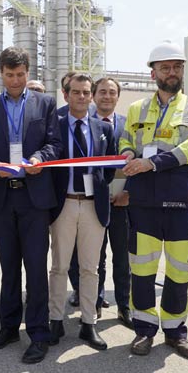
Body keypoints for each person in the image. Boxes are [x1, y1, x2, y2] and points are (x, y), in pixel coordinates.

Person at [121, 40, 188, 360]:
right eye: (165, 68)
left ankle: (175, 333)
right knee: (141, 272)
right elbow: (126, 140)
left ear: (182, 70)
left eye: (177, 67)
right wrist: (128, 153)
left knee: (179, 272)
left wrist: (151, 162)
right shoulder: (135, 109)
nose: (171, 73)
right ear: (153, 73)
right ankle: (144, 331)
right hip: (143, 204)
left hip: (179, 205)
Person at [0, 46, 62, 364]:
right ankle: (9, 327)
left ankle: (38, 334)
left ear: (28, 72)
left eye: (20, 74)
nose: (15, 80)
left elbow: (55, 142)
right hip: (2, 196)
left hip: (34, 198)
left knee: (35, 269)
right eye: (10, 75)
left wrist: (41, 157)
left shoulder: (46, 103)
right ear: (1, 72)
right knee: (9, 268)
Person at [47, 74, 115, 351]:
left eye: (87, 92)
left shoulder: (103, 128)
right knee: (60, 266)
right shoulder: (56, 126)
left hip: (92, 205)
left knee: (90, 268)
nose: (82, 97)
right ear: (66, 95)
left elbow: (109, 169)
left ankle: (89, 323)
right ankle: (55, 320)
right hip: (63, 204)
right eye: (76, 92)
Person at [69, 77, 133, 328]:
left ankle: (124, 307)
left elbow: (134, 162)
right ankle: (93, 303)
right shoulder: (87, 125)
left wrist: (128, 193)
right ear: (94, 96)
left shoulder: (129, 125)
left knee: (122, 258)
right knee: (94, 259)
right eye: (102, 92)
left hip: (122, 203)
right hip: (93, 202)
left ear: (118, 96)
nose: (107, 96)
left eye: (112, 92)